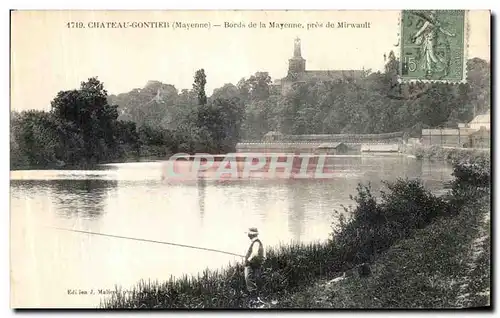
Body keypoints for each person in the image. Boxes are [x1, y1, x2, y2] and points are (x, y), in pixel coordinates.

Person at [411, 10, 456, 76]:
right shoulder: (427, 23)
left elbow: (443, 31)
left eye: (433, 15)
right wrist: (415, 36)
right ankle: (429, 71)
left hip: (432, 40)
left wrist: (450, 34)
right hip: (426, 40)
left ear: (435, 16)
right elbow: (421, 30)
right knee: (427, 55)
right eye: (431, 15)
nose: (432, 16)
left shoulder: (436, 23)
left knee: (432, 56)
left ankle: (444, 67)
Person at [244, 227, 265, 301]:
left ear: (251, 235)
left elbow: (255, 253)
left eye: (249, 234)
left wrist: (248, 259)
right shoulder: (256, 242)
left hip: (252, 264)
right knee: (256, 278)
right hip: (256, 264)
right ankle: (256, 296)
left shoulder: (256, 242)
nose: (248, 235)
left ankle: (253, 296)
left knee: (248, 278)